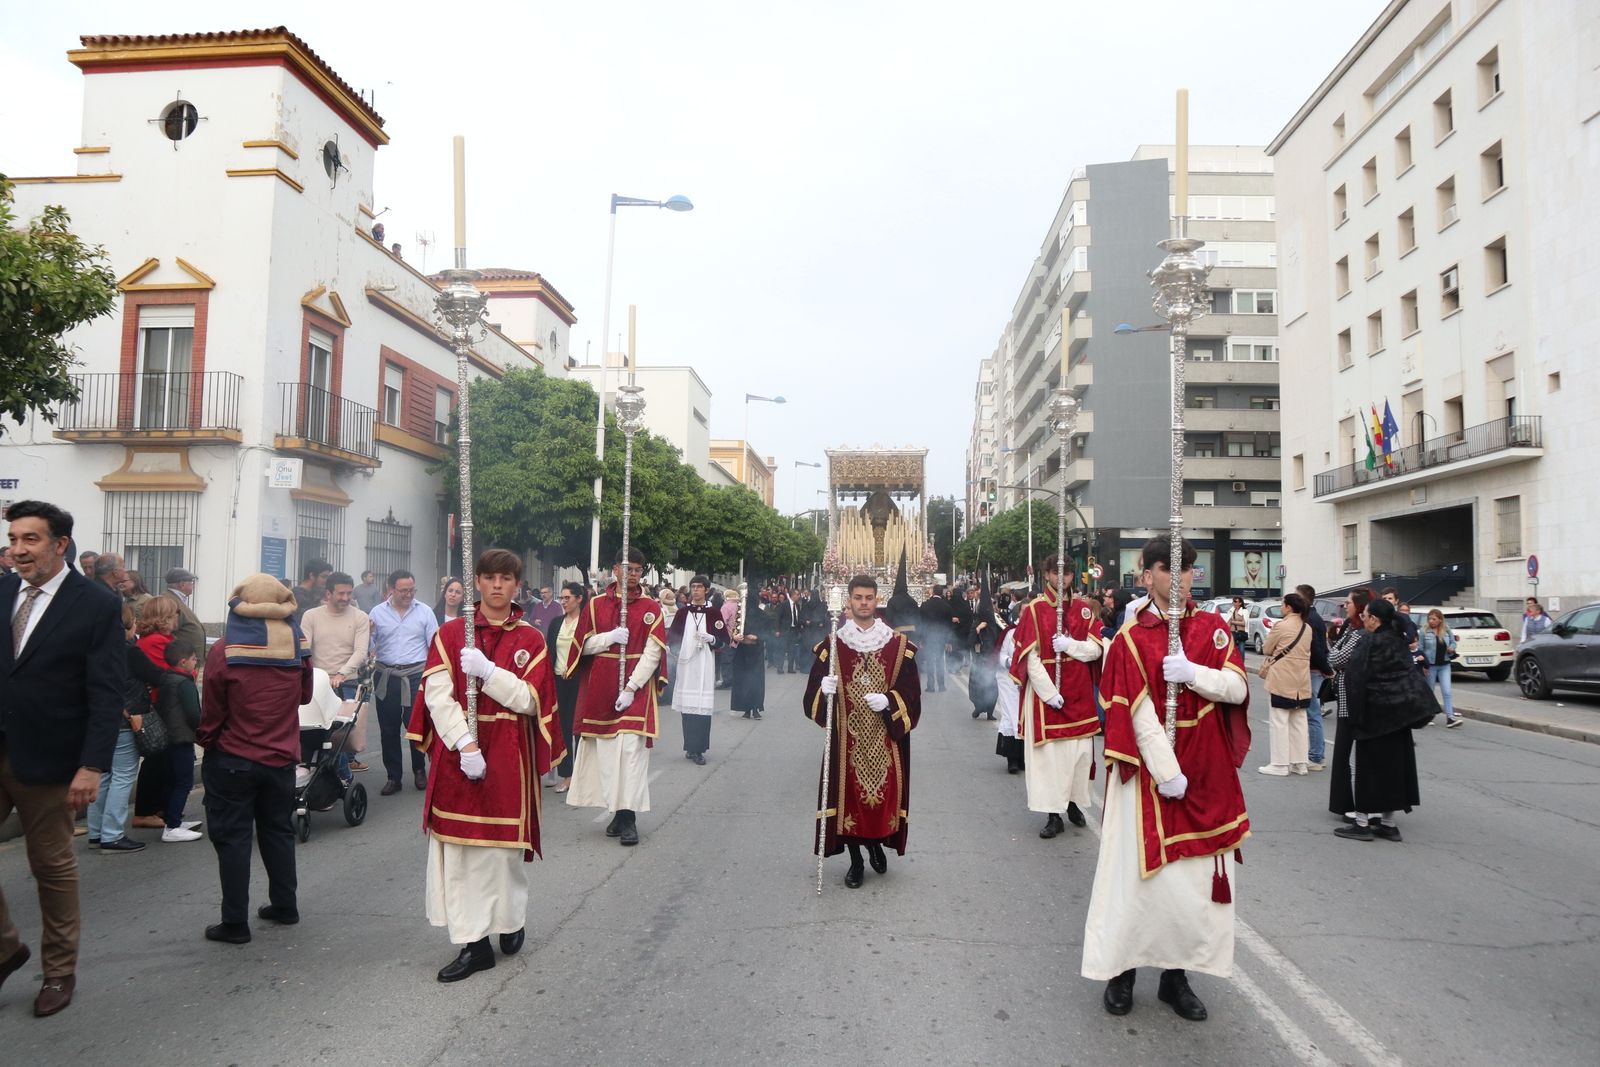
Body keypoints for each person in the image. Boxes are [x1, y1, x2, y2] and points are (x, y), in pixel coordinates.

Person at [1082, 534, 1251, 1023]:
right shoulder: (1131, 639)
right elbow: (1134, 714)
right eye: (1167, 569)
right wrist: (1166, 771)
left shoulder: (1213, 629)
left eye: (1185, 570)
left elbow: (1238, 688)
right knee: (1136, 882)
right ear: (1147, 573)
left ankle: (1176, 977)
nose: (1177, 579)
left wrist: (1195, 673)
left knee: (1192, 888)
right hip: (1146, 776)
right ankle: (1123, 972)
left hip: (1206, 771)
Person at [405, 548, 562, 983]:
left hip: (509, 752)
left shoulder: (530, 638)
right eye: (489, 577)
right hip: (461, 755)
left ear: (516, 585)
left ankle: (509, 921)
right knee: (459, 852)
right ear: (477, 581)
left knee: (500, 854)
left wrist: (489, 672)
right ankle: (474, 946)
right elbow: (437, 693)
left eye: (506, 578)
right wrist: (463, 743)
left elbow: (533, 700)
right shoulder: (452, 633)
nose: (497, 585)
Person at [0, 502, 125, 1017]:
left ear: (59, 545)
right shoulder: (3, 589)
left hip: (51, 760)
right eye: (13, 538)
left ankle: (57, 972)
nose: (17, 549)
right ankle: (7, 947)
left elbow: (105, 690)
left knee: (51, 868)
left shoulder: (94, 603)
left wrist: (92, 765)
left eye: (30, 539)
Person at [197, 573, 313, 944]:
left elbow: (212, 709)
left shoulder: (225, 648)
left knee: (233, 840)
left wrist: (208, 741)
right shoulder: (297, 645)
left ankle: (234, 923)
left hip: (233, 758)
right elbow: (306, 697)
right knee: (278, 832)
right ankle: (285, 905)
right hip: (280, 758)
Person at [804, 574, 921, 889]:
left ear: (876, 600)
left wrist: (889, 700)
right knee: (849, 800)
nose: (864, 603)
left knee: (881, 799)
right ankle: (856, 860)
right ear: (849, 601)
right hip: (847, 740)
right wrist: (823, 689)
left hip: (885, 739)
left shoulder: (897, 646)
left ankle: (875, 844)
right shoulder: (833, 644)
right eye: (858, 598)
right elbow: (811, 700)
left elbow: (912, 694)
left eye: (869, 598)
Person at [563, 548, 666, 847]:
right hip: (603, 686)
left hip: (636, 691)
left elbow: (653, 652)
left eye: (636, 569)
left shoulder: (651, 607)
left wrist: (632, 687)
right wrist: (610, 638)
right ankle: (618, 813)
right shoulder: (595, 605)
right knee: (610, 757)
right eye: (627, 568)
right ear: (615, 570)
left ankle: (630, 819)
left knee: (631, 755)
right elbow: (582, 646)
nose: (631, 574)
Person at [1011, 557, 1104, 838]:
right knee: (1050, 760)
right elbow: (1030, 658)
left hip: (1079, 693)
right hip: (1047, 696)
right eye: (1055, 573)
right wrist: (1049, 693)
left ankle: (1075, 803)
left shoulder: (1084, 610)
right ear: (1047, 574)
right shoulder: (1035, 610)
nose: (1061, 579)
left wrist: (1070, 645)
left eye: (1066, 574)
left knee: (1080, 754)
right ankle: (1053, 814)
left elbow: (1096, 650)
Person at [1331, 599, 1425, 842]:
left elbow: (1355, 679)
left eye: (1364, 616)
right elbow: (1409, 678)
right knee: (1393, 771)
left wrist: (1355, 715)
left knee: (1368, 770)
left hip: (1373, 719)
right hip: (1398, 719)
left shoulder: (1368, 642)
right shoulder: (1398, 641)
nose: (1363, 620)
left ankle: (1362, 822)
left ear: (1374, 619)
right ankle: (1388, 823)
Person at [92, 605, 159, 850]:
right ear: (127, 627)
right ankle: (112, 835)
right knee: (122, 776)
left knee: (104, 776)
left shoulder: (95, 649)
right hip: (126, 719)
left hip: (100, 720)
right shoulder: (130, 652)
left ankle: (96, 831)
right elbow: (157, 676)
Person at [370, 571, 439, 795]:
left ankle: (419, 769)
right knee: (388, 728)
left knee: (415, 725)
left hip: (415, 675)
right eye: (404, 591)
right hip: (386, 675)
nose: (409, 594)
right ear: (391, 590)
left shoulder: (425, 612)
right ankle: (393, 777)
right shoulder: (377, 613)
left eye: (412, 590)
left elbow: (434, 645)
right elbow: (369, 643)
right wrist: (368, 634)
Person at [667, 575, 729, 765]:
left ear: (707, 590)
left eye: (699, 587)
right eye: (693, 587)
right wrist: (676, 652)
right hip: (687, 665)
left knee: (701, 708)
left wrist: (712, 639)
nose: (695, 590)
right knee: (688, 707)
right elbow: (673, 638)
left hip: (704, 664)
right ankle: (689, 746)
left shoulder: (714, 614)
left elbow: (723, 641)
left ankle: (699, 749)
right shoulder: (682, 613)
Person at [1326, 587, 1373, 825]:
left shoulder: (1361, 633)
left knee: (1351, 752)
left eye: (1348, 602)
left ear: (1361, 606)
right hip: (1346, 697)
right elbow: (1333, 654)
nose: (1345, 605)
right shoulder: (1351, 628)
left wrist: (1337, 658)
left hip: (1354, 699)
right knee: (1342, 753)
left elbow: (1337, 658)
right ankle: (1344, 803)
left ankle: (1357, 805)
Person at [1258, 592, 1312, 776]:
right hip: (1302, 680)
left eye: (1283, 604)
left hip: (1282, 677)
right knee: (1299, 721)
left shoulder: (1281, 626)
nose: (1281, 607)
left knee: (1279, 721)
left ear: (1289, 607)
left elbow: (1267, 648)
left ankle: (1280, 764)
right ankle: (1300, 763)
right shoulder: (1307, 628)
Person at [154, 642, 203, 841]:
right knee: (184, 782)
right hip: (181, 737)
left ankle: (171, 818)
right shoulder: (184, 682)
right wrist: (202, 730)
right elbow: (193, 713)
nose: (196, 662)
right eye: (193, 659)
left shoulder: (166, 678)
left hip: (168, 736)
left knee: (173, 780)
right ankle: (173, 826)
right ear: (183, 662)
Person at [545, 582, 587, 792]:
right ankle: (567, 774)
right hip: (559, 681)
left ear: (579, 599)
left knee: (578, 728)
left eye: (567, 598)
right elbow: (549, 651)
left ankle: (581, 774)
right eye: (561, 598)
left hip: (579, 680)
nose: (563, 602)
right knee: (562, 728)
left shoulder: (587, 623)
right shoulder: (556, 623)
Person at [1296, 584, 1331, 771]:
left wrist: (1327, 669)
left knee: (1312, 713)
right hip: (1314, 669)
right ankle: (1314, 753)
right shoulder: (1311, 617)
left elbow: (1317, 649)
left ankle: (1317, 756)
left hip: (1313, 670)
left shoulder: (1311, 620)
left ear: (1304, 599)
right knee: (1310, 712)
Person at [994, 609, 1025, 773]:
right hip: (1008, 679)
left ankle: (1023, 757)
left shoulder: (1037, 632)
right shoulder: (1010, 632)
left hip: (1028, 680)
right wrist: (1011, 661)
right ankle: (1012, 759)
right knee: (1011, 716)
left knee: (1024, 718)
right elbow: (1001, 654)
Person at [729, 588, 768, 719]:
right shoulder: (741, 615)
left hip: (755, 651)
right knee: (743, 680)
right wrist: (739, 636)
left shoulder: (761, 615)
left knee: (755, 680)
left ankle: (755, 708)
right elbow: (734, 630)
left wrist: (757, 637)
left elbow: (767, 632)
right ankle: (746, 708)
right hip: (742, 650)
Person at [1418, 609, 1460, 728]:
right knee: (1430, 691)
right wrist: (1423, 665)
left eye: (1434, 619)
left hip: (1444, 664)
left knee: (1447, 691)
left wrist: (1451, 648)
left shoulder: (1446, 629)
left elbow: (1453, 642)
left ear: (1440, 619)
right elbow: (1420, 649)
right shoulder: (1424, 631)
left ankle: (1450, 718)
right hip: (1430, 665)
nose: (1431, 621)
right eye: (1430, 619)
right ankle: (1428, 715)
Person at [967, 584, 1003, 720]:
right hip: (978, 658)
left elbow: (1004, 636)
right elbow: (970, 641)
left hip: (991, 659)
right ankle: (979, 706)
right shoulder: (976, 621)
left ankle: (990, 711)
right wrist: (977, 629)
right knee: (977, 684)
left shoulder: (996, 621)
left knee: (991, 685)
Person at [162, 567, 206, 658]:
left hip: (187, 659)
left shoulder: (176, 599)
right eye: (191, 583)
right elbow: (166, 630)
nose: (193, 586)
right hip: (181, 659)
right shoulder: (169, 601)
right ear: (182, 584)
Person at [918, 586, 951, 692]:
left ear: (932, 592)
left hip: (928, 637)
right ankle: (941, 686)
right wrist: (948, 641)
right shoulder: (946, 606)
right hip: (941, 638)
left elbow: (921, 624)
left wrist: (921, 639)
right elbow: (948, 626)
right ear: (942, 593)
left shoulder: (925, 605)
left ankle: (931, 686)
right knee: (940, 661)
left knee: (930, 662)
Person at [293, 559, 333, 624]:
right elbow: (298, 619)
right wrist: (319, 606)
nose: (326, 580)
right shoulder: (296, 595)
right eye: (324, 577)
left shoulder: (318, 592)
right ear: (311, 576)